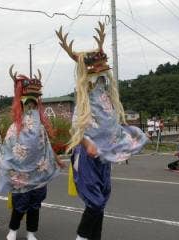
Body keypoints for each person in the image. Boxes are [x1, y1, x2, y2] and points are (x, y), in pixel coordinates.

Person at [56, 22, 149, 240]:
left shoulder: (106, 97)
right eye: (97, 77)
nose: (100, 81)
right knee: (95, 201)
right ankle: (81, 238)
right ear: (88, 77)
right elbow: (76, 127)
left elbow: (111, 125)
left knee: (102, 199)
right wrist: (88, 144)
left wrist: (126, 137)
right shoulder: (85, 98)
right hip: (88, 156)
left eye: (102, 77)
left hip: (103, 155)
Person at [0, 66, 66, 240]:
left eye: (34, 104)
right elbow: (7, 151)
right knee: (20, 204)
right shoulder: (14, 128)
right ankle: (12, 230)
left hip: (38, 171)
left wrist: (56, 159)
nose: (31, 107)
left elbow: (47, 147)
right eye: (28, 103)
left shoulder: (41, 127)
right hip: (21, 173)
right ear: (22, 104)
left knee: (35, 204)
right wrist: (8, 166)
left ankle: (31, 232)